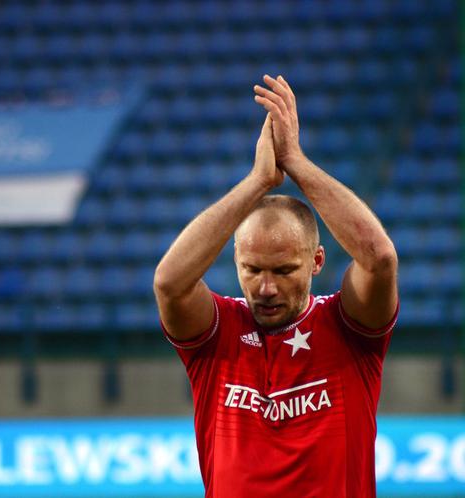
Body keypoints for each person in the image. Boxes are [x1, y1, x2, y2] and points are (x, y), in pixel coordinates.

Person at [153, 75, 399, 498]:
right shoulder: (217, 336)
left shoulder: (348, 329)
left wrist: (296, 163)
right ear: (235, 259)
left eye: (283, 271)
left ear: (317, 262)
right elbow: (169, 284)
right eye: (252, 269)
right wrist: (258, 182)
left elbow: (379, 259)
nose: (265, 288)